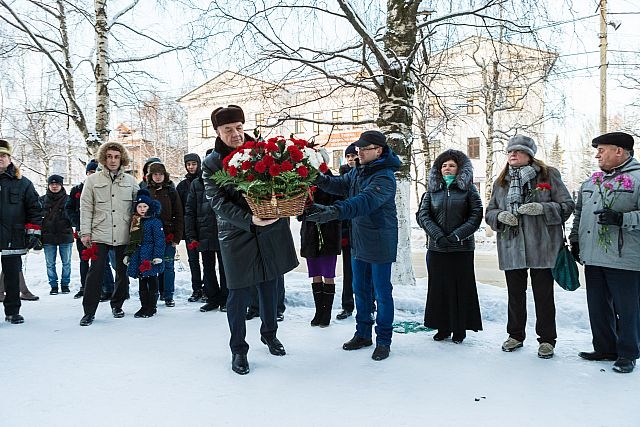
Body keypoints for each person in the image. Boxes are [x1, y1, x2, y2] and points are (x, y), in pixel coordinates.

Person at [202, 105, 298, 375]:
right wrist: (249, 219)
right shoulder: (211, 163)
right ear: (218, 132)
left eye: (239, 127)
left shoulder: (262, 151)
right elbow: (218, 203)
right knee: (238, 292)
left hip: (270, 229)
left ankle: (270, 334)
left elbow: (281, 182)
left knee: (270, 285)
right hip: (236, 233)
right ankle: (238, 349)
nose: (235, 134)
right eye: (228, 129)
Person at [306, 129, 401, 361]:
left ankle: (384, 340)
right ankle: (363, 333)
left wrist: (334, 211)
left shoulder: (385, 177)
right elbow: (337, 185)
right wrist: (315, 176)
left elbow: (363, 202)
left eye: (364, 149)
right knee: (360, 289)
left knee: (381, 293)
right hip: (359, 241)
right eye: (358, 149)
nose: (359, 153)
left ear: (378, 151)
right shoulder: (358, 171)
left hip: (379, 241)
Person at [485, 135, 574, 359]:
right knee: (515, 295)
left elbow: (567, 205)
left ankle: (547, 340)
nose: (512, 154)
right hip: (512, 247)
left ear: (529, 155)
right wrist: (500, 216)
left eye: (518, 151)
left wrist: (543, 208)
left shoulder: (548, 175)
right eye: (510, 151)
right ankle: (515, 335)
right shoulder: (501, 181)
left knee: (543, 296)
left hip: (542, 247)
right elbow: (490, 212)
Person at [570, 131, 640, 374]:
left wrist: (622, 218)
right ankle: (605, 348)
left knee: (627, 309)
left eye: (601, 150)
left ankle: (628, 354)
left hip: (624, 258)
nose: (597, 155)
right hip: (593, 256)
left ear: (619, 151)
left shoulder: (637, 178)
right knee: (598, 307)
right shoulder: (592, 181)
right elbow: (579, 213)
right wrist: (575, 241)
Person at [416, 149, 483, 344]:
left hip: (461, 249)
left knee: (460, 288)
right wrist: (437, 235)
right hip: (437, 248)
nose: (447, 168)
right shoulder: (432, 190)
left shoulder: (469, 190)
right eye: (444, 165)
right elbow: (423, 215)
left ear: (459, 169)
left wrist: (456, 236)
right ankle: (442, 327)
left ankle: (459, 329)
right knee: (439, 288)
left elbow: (476, 215)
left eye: (452, 165)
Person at [79, 141, 139, 326]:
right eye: (109, 157)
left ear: (122, 159)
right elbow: (86, 207)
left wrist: (137, 234)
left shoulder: (131, 181)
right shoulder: (92, 180)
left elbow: (138, 209)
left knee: (122, 272)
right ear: (103, 158)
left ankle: (117, 305)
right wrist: (85, 232)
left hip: (123, 233)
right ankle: (89, 312)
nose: (113, 160)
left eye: (116, 157)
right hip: (99, 233)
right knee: (95, 273)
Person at [0, 139, 43, 324]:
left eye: (3, 155)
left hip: (13, 235)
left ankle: (12, 312)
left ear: (10, 158)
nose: (0, 158)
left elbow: (35, 209)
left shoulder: (23, 183)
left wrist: (33, 231)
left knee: (12, 277)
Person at [184, 152, 228, 312]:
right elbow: (190, 210)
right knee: (208, 267)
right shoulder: (197, 183)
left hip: (223, 230)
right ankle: (212, 298)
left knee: (225, 268)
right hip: (203, 231)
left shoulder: (226, 181)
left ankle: (226, 298)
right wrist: (191, 234)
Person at [65, 159, 115, 299]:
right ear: (86, 173)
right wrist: (79, 222)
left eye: (95, 172)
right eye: (90, 172)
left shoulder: (104, 188)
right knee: (84, 260)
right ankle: (85, 287)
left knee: (101, 260)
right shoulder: (77, 189)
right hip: (82, 230)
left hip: (100, 230)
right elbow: (68, 208)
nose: (92, 174)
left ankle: (107, 288)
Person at [299, 173, 341, 327]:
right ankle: (318, 312)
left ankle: (327, 312)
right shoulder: (305, 182)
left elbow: (338, 207)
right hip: (310, 234)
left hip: (328, 233)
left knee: (328, 274)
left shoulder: (332, 182)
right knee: (315, 274)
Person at [146, 161, 183, 307]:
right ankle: (154, 293)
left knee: (168, 265)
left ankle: (168, 295)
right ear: (151, 176)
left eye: (160, 174)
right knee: (153, 265)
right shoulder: (146, 191)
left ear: (165, 175)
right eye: (155, 174)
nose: (158, 177)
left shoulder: (171, 191)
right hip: (150, 236)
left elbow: (179, 214)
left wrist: (177, 237)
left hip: (168, 235)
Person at [123, 190, 165, 318]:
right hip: (138, 255)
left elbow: (159, 240)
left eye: (145, 206)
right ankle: (144, 306)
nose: (142, 209)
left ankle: (152, 307)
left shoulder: (154, 221)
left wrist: (158, 255)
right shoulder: (135, 221)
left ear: (149, 207)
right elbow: (132, 239)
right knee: (142, 280)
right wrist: (128, 254)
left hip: (150, 255)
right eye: (139, 206)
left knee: (151, 279)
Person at [177, 153, 208, 303]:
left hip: (205, 227)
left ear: (199, 164)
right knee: (193, 260)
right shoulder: (182, 186)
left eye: (193, 164)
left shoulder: (205, 180)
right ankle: (197, 289)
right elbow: (180, 209)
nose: (191, 167)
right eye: (188, 164)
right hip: (190, 229)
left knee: (208, 261)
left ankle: (208, 289)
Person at [39, 174, 74, 295]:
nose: (54, 186)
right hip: (48, 236)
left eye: (57, 184)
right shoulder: (41, 200)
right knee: (50, 264)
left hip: (65, 235)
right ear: (48, 185)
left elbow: (74, 216)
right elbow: (37, 216)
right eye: (52, 184)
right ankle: (53, 285)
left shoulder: (69, 199)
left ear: (61, 185)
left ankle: (65, 284)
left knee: (66, 263)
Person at [336, 143, 358, 320]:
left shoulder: (367, 176)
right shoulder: (342, 179)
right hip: (347, 233)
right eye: (348, 156)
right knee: (348, 271)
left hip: (364, 232)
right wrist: (343, 232)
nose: (351, 159)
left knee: (367, 272)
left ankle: (370, 305)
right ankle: (347, 305)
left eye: (353, 156)